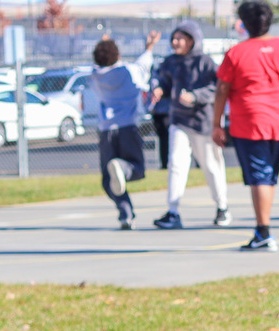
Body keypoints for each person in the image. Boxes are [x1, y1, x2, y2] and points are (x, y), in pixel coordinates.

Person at [212, 0, 279, 251]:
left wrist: (216, 124)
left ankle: (263, 233)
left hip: (250, 124)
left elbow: (221, 90)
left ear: (244, 24)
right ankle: (263, 230)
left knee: (260, 177)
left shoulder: (237, 53)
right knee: (268, 177)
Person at [149, 20, 230, 229]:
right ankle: (173, 211)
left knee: (211, 166)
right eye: (174, 38)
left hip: (203, 123)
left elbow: (217, 88)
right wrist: (158, 89)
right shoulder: (171, 62)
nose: (175, 42)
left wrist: (195, 96)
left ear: (192, 40)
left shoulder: (205, 62)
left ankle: (222, 208)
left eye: (180, 38)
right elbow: (160, 79)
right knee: (176, 164)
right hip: (179, 120)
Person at [88, 30, 160, 229]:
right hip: (128, 128)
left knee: (108, 180)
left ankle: (125, 212)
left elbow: (99, 62)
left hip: (106, 131)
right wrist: (150, 46)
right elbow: (144, 64)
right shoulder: (129, 72)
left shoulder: (96, 76)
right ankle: (123, 168)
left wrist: (103, 45)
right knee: (136, 169)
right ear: (118, 55)